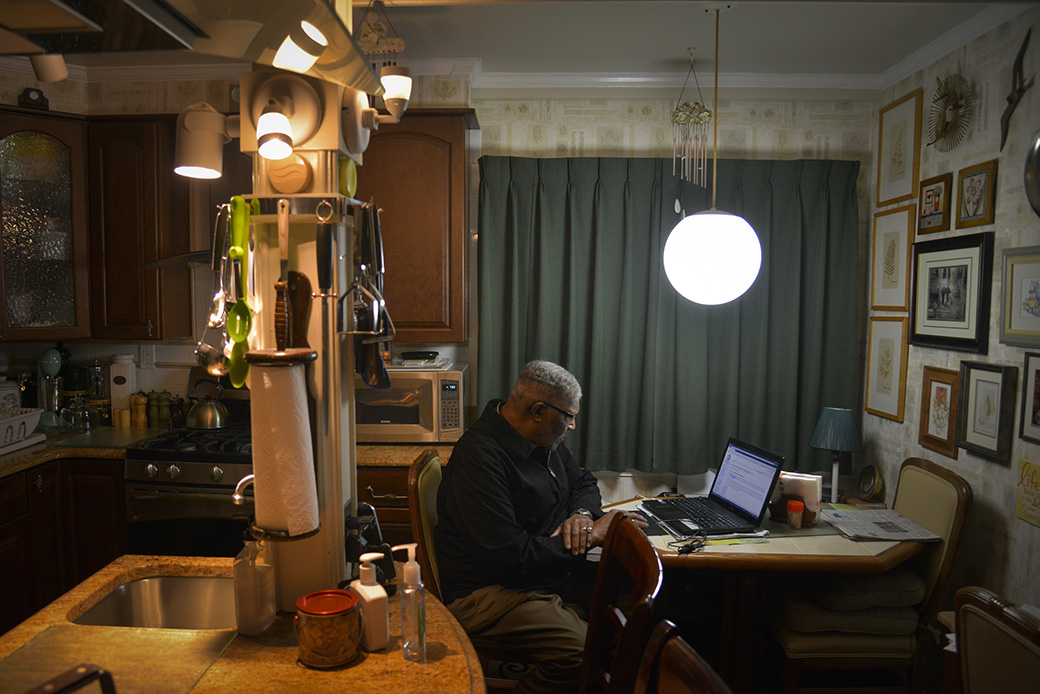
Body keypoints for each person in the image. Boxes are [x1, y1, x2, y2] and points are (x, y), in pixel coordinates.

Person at [435, 360, 646, 694]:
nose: (573, 426)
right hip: (490, 592)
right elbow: (512, 560)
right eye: (569, 416)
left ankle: (601, 678)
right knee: (578, 653)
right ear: (538, 410)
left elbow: (583, 481)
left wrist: (581, 515)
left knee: (635, 589)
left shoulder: (542, 440)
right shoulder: (479, 459)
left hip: (541, 571)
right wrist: (592, 535)